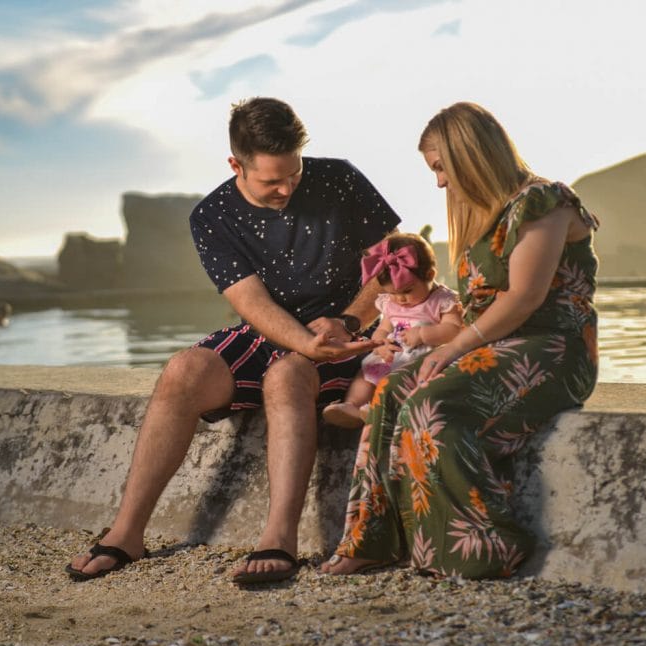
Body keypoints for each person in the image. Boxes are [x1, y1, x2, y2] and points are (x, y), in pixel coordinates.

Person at [66, 97, 400, 585]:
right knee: (183, 370)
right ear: (235, 164)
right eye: (272, 181)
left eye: (294, 174)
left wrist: (347, 322)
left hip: (351, 330)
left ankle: (278, 537)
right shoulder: (212, 216)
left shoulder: (341, 179)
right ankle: (126, 532)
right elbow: (253, 305)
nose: (287, 188)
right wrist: (304, 343)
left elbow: (396, 263)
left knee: (287, 377)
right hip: (271, 327)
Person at [321, 102, 600, 578]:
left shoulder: (544, 202)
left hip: (552, 350)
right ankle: (372, 539)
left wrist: (450, 348)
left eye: (440, 167)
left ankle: (484, 548)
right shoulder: (484, 217)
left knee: (433, 407)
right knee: (391, 392)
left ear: (469, 154)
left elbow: (524, 299)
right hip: (492, 348)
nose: (440, 182)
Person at [321, 232, 461, 429]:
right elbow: (383, 329)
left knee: (405, 383)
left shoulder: (441, 300)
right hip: (392, 354)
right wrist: (381, 344)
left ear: (430, 275)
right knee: (366, 374)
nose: (400, 300)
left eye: (407, 291)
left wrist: (423, 334)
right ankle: (353, 406)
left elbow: (454, 330)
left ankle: (381, 410)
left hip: (420, 359)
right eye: (392, 293)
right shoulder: (392, 304)